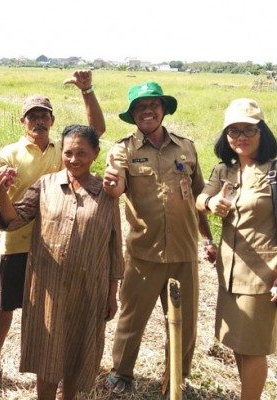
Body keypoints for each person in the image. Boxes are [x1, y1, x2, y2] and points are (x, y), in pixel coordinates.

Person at [0, 70, 106, 387]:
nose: (39, 122)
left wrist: (87, 91)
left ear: (53, 121)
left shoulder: (63, 151)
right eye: (33, 117)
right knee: (4, 307)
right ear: (22, 122)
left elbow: (95, 131)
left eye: (44, 116)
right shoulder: (10, 154)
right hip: (16, 243)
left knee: (53, 311)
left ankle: (54, 365)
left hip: (54, 247)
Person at [0, 124, 123, 400]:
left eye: (82, 153)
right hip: (48, 289)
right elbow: (13, 221)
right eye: (68, 153)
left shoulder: (106, 194)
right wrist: (1, 193)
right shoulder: (46, 185)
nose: (74, 159)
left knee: (76, 352)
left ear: (96, 154)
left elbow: (114, 248)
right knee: (48, 355)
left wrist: (112, 294)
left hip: (89, 290)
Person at [103, 81, 215, 397]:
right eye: (140, 107)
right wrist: (111, 183)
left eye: (153, 105)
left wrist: (207, 239)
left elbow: (197, 196)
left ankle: (175, 378)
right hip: (143, 252)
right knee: (131, 318)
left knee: (184, 322)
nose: (147, 111)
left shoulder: (187, 147)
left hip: (183, 251)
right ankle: (121, 372)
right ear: (132, 115)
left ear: (163, 109)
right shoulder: (123, 149)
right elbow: (115, 188)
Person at [195, 98, 277, 400]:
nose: (240, 137)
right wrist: (209, 202)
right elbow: (199, 199)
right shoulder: (224, 171)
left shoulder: (273, 172)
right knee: (239, 344)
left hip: (263, 274)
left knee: (253, 348)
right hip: (228, 272)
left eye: (248, 130)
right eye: (233, 131)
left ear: (262, 132)